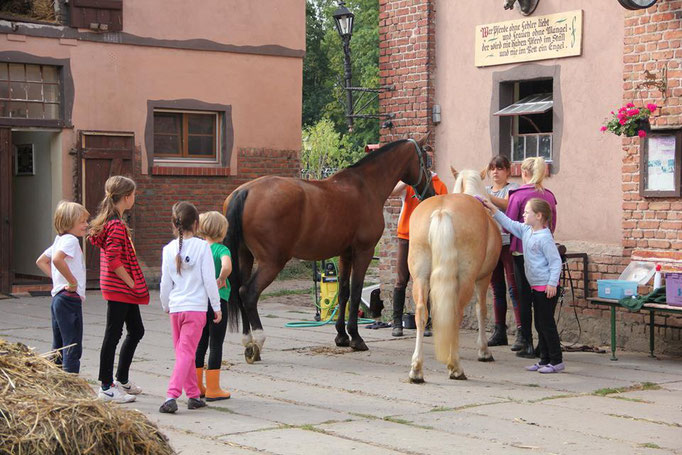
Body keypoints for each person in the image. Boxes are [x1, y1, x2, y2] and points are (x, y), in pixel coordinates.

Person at [481, 197, 564, 373]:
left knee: (546, 324)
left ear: (539, 216)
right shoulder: (527, 230)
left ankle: (556, 361)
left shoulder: (545, 237)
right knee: (539, 324)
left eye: (527, 212)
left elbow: (555, 262)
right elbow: (509, 223)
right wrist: (491, 207)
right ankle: (544, 360)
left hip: (546, 289)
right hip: (536, 286)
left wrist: (551, 284)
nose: (523, 214)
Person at [90, 175, 149, 403]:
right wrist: (132, 282)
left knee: (136, 330)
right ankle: (106, 387)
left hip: (121, 289)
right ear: (126, 197)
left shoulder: (114, 222)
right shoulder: (115, 226)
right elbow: (114, 261)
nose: (134, 198)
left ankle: (121, 379)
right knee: (113, 335)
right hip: (120, 289)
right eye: (133, 194)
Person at [159, 202, 222, 414]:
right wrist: (216, 306)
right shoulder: (202, 246)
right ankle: (172, 395)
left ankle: (193, 395)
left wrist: (165, 304)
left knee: (182, 354)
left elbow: (165, 283)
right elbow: (209, 280)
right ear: (196, 224)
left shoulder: (167, 249)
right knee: (186, 353)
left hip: (175, 308)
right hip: (195, 309)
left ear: (173, 224)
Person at [505, 157, 557, 358]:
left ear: (523, 173)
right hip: (544, 249)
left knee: (523, 298)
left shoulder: (517, 195)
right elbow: (553, 222)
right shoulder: (549, 195)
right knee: (543, 303)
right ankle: (543, 345)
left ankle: (526, 341)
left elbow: (508, 223)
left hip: (522, 251)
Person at [391, 162, 448, 337]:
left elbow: (445, 210)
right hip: (407, 236)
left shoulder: (440, 184)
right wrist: (409, 180)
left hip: (428, 239)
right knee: (401, 279)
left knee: (428, 280)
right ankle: (396, 322)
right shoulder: (409, 184)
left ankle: (426, 321)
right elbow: (392, 192)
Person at [35, 201, 90, 374]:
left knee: (58, 344)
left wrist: (59, 279)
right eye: (82, 221)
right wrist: (72, 281)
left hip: (58, 297)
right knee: (72, 344)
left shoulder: (59, 240)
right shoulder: (71, 240)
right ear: (69, 222)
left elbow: (41, 261)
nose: (86, 225)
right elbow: (58, 260)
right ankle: (71, 380)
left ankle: (57, 378)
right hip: (69, 299)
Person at [484, 155, 521, 349]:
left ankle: (521, 331)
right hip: (491, 245)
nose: (495, 172)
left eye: (499, 168)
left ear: (507, 171)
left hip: (508, 243)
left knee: (514, 288)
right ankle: (500, 330)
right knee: (496, 288)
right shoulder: (486, 190)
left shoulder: (512, 189)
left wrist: (486, 198)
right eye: (492, 169)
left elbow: (508, 205)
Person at [195, 211, 232, 401]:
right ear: (222, 231)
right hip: (219, 301)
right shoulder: (222, 250)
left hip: (200, 302)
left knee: (200, 343)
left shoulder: (198, 248)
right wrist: (222, 278)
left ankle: (197, 386)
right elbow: (227, 266)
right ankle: (213, 388)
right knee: (215, 344)